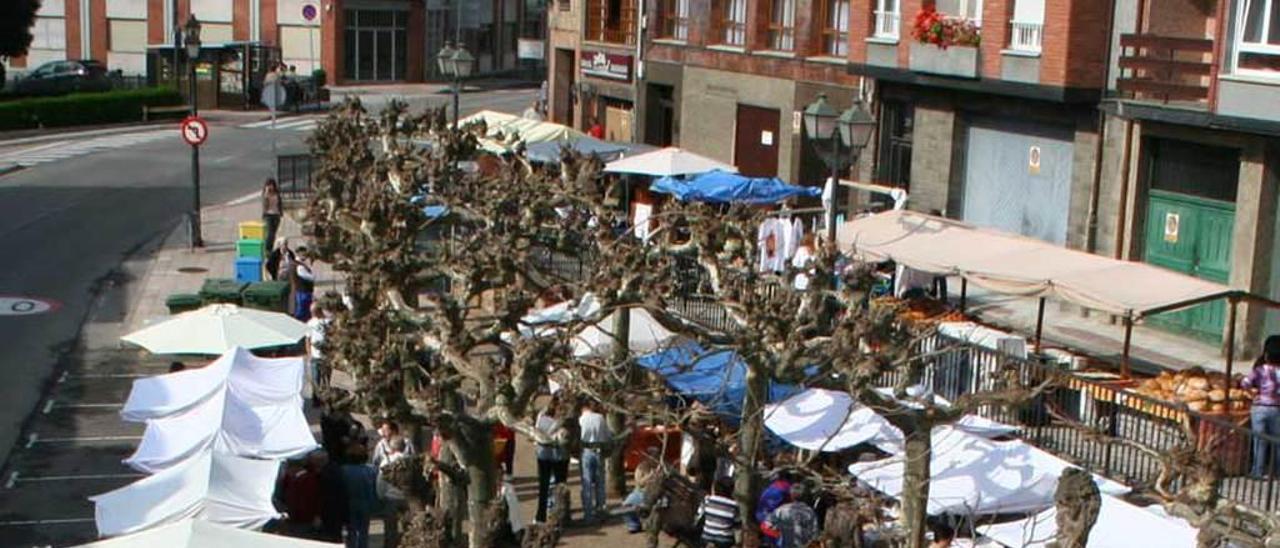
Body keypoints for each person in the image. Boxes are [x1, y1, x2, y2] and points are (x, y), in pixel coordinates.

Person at [1244, 335, 1280, 477]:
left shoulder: (1259, 369)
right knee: (1277, 441)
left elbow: (1245, 383)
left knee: (1260, 441)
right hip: (1277, 409)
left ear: (1266, 355)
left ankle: (1257, 472)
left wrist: (1253, 395)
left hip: (1259, 409)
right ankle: (1277, 471)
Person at [535, 396, 570, 523]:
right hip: (560, 456)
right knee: (560, 486)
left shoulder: (542, 418)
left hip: (543, 455)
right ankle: (560, 515)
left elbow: (537, 433)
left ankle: (541, 516)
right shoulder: (565, 422)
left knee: (543, 487)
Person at [578, 398, 610, 523]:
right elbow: (607, 435)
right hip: (599, 450)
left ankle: (588, 514)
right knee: (600, 482)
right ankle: (601, 509)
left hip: (586, 450)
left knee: (587, 483)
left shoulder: (581, 420)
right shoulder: (600, 418)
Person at [341, 442, 378, 548]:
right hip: (365, 503)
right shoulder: (370, 470)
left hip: (349, 503)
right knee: (364, 531)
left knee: (351, 530)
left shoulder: (343, 470)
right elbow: (374, 488)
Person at [763, 482, 819, 548]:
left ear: (791, 496)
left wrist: (778, 535)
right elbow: (815, 536)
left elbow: (765, 526)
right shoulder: (810, 512)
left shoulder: (781, 510)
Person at [284, 450, 325, 538]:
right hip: (295, 518)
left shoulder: (309, 479)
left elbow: (311, 499)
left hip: (304, 519)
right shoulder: (294, 479)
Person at [376, 438, 409, 548]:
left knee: (390, 530)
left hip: (390, 498)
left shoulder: (387, 461)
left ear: (391, 448)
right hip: (407, 498)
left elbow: (380, 482)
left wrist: (380, 496)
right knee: (408, 528)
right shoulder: (410, 460)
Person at [622, 446, 661, 533]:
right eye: (652, 456)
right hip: (641, 492)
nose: (654, 459)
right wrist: (650, 476)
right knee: (626, 505)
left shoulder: (661, 467)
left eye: (656, 456)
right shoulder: (641, 467)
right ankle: (634, 525)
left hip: (656, 494)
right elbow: (639, 483)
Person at [698, 478, 740, 548]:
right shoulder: (734, 505)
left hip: (707, 536)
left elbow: (700, 513)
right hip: (724, 540)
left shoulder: (707, 499)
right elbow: (737, 524)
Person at [306, 303, 330, 401]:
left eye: (313, 311)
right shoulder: (310, 323)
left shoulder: (328, 322)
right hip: (315, 356)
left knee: (326, 379)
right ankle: (316, 399)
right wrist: (309, 354)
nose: (312, 313)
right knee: (316, 379)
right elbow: (308, 339)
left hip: (326, 356)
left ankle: (327, 398)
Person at [292, 247, 316, 322]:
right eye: (303, 254)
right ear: (299, 254)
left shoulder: (297, 263)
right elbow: (308, 277)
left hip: (302, 291)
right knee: (303, 310)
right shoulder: (299, 266)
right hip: (303, 291)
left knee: (303, 309)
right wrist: (313, 276)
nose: (305, 256)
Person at [262, 179, 283, 254]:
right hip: (268, 215)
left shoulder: (277, 193)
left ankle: (270, 249)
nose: (271, 187)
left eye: (272, 185)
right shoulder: (265, 195)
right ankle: (267, 249)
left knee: (273, 234)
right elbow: (265, 207)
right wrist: (266, 195)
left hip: (276, 215)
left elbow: (280, 204)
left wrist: (281, 213)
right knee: (270, 233)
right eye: (268, 185)